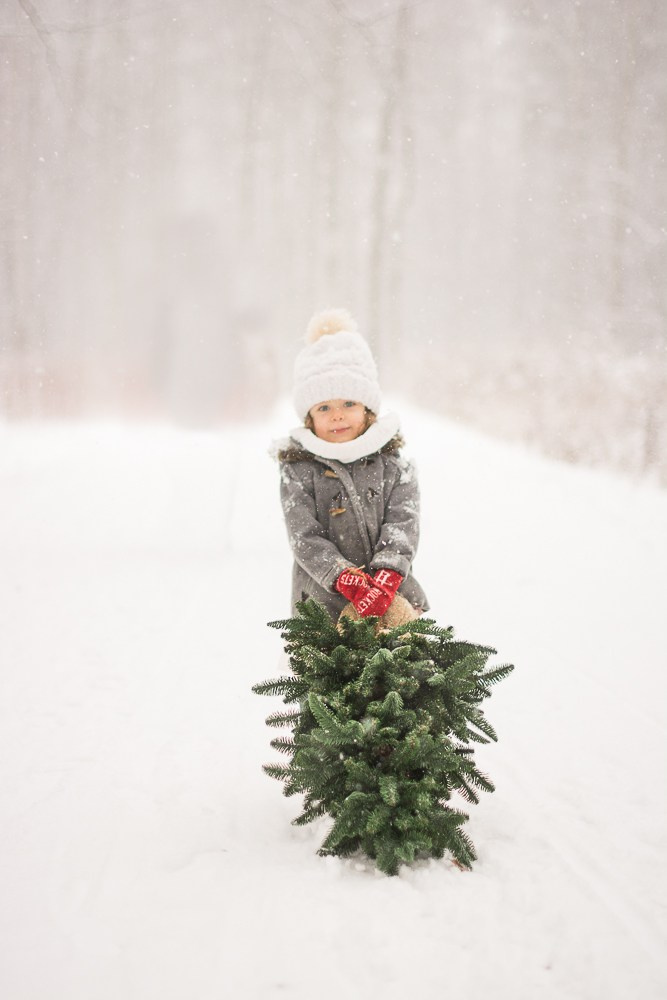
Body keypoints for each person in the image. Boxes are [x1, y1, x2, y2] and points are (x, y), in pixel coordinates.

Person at [274, 308, 428, 627]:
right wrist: (344, 577)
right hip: (322, 607)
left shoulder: (393, 465)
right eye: (324, 407)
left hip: (392, 599)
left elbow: (403, 523)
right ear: (309, 417)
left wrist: (387, 575)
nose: (337, 415)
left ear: (367, 408)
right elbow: (303, 535)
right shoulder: (299, 470)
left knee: (399, 670)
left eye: (348, 404)